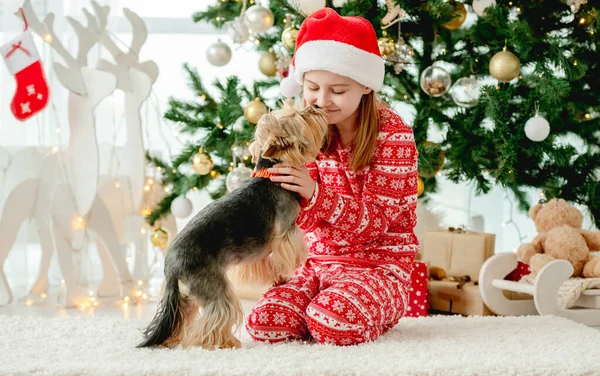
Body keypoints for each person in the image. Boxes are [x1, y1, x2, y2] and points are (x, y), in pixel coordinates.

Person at [246, 7, 419, 346]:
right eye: (312, 88)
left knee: (333, 322)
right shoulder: (306, 132)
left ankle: (346, 308)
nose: (321, 102)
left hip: (379, 268)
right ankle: (323, 305)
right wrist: (290, 193)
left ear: (365, 86)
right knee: (265, 323)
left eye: (338, 91)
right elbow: (308, 224)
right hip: (319, 265)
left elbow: (377, 222)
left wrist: (315, 193)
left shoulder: (393, 134)